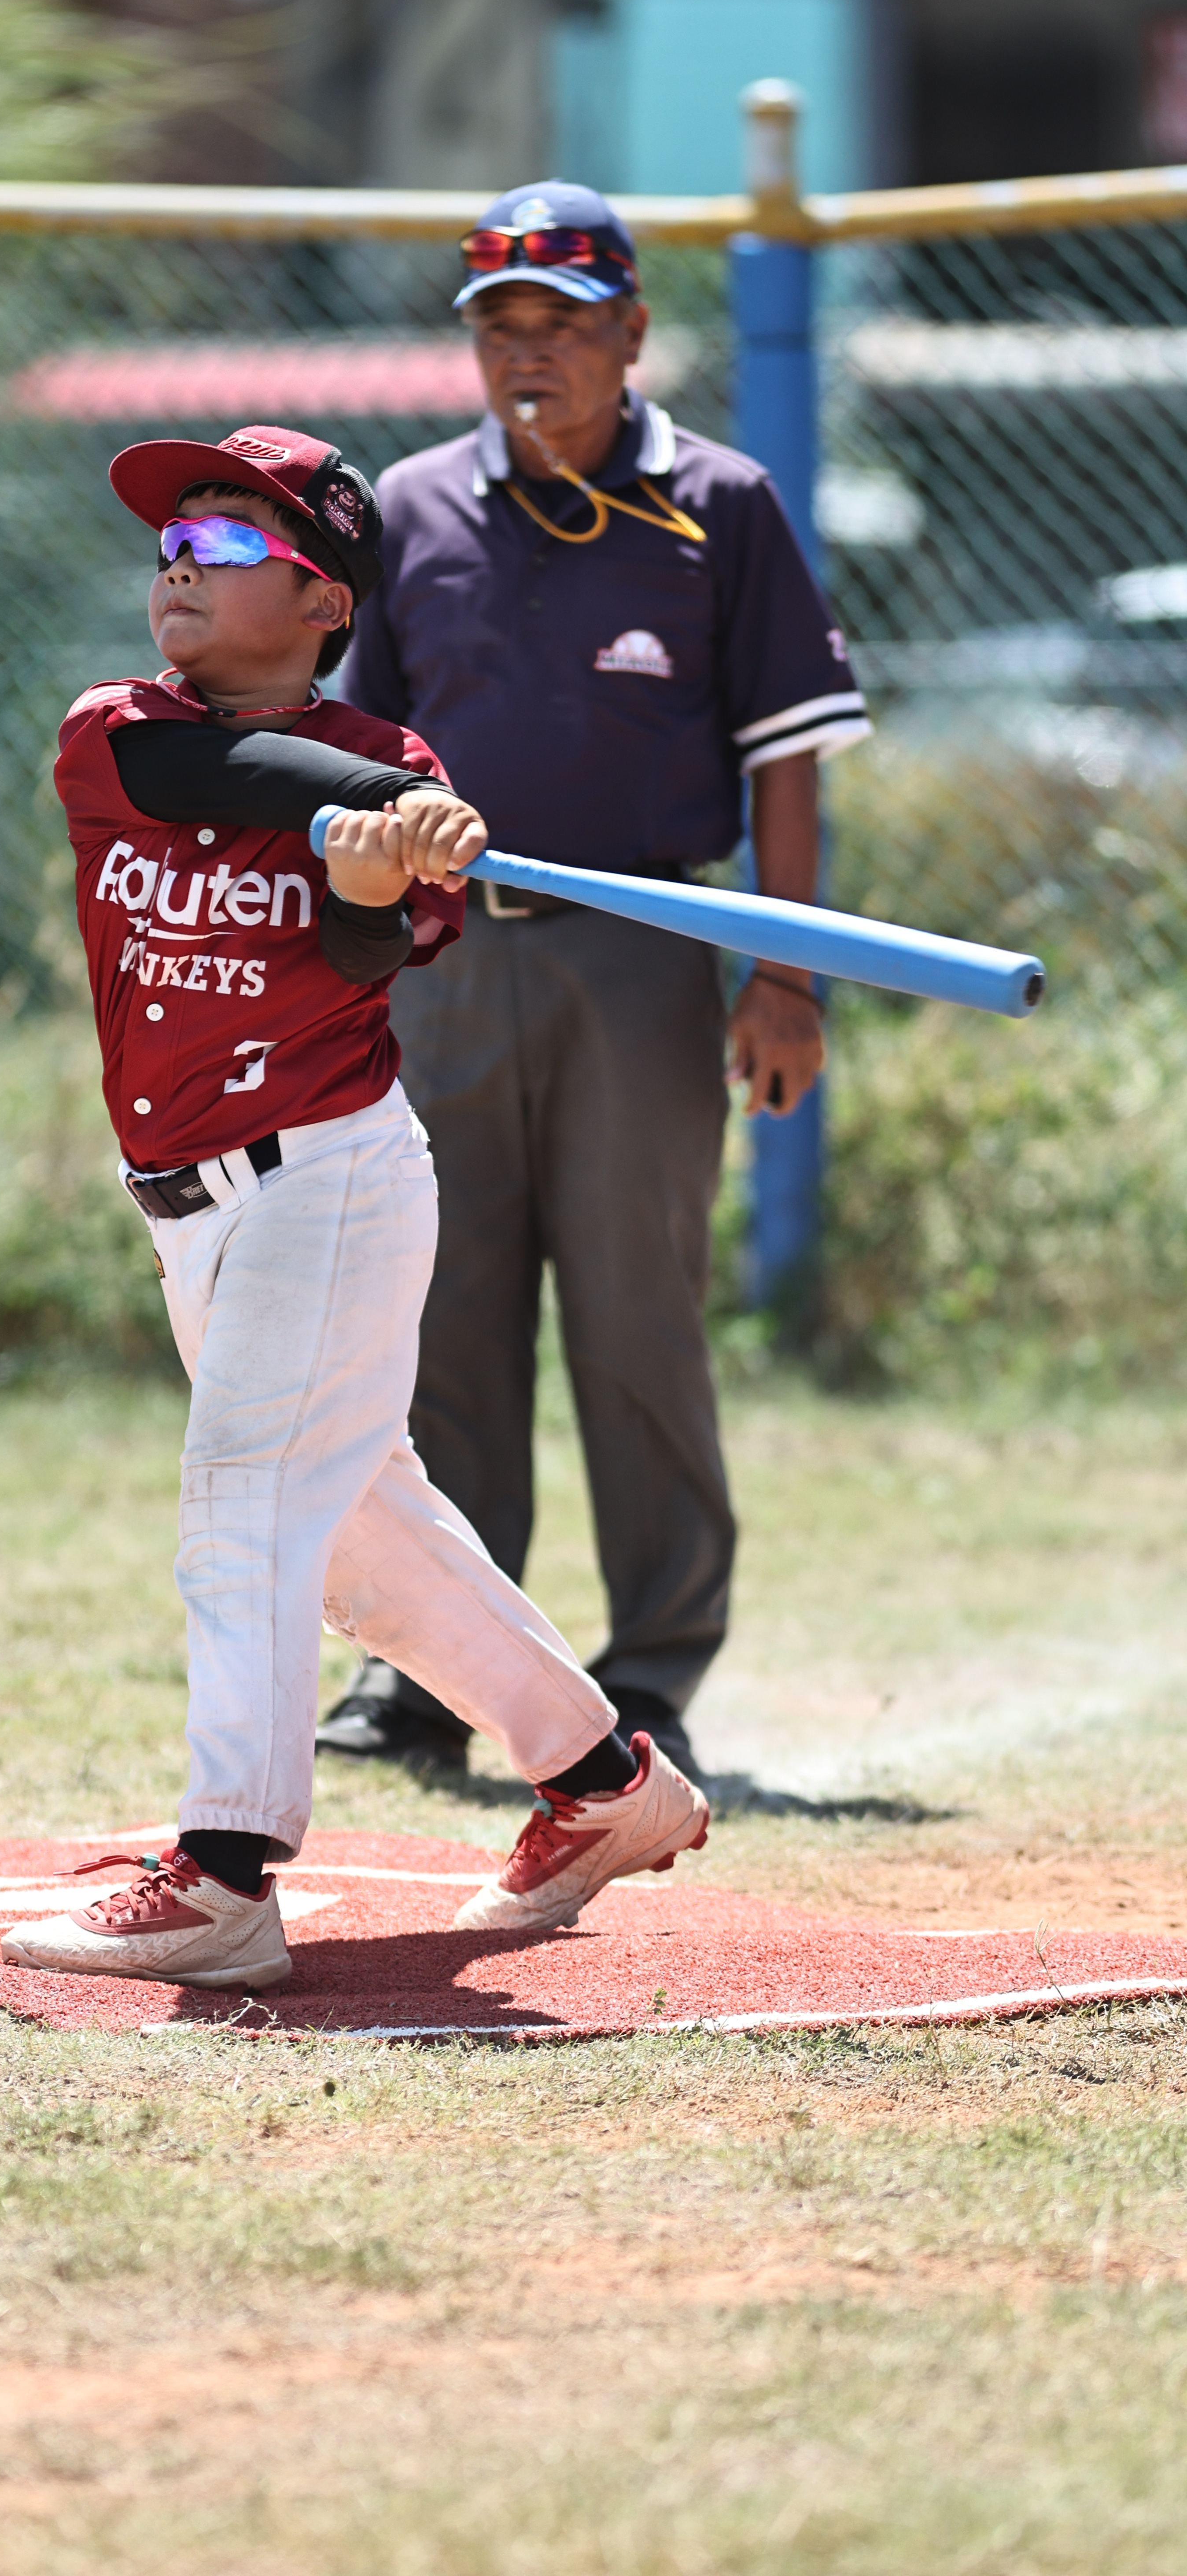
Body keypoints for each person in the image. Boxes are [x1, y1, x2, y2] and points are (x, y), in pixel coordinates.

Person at [0, 424, 710, 1992]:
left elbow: (366, 957)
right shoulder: (121, 729)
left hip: (326, 1180)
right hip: (190, 1211)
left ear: (325, 599)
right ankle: (606, 1784)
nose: (181, 565)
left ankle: (225, 1873)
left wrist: (379, 875)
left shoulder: (404, 775)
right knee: (360, 1549)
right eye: (173, 541)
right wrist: (359, 813)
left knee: (245, 1501)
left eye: (228, 543)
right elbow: (224, 777)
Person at [317, 182, 870, 1789]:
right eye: (500, 327)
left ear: (631, 332)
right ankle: (429, 1676)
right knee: (439, 1322)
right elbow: (365, 758)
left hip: (642, 955)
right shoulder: (416, 506)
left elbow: (785, 763)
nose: (529, 355)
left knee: (638, 1318)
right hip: (445, 962)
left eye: (561, 324)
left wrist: (783, 973)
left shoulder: (721, 506)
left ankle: (652, 1672)